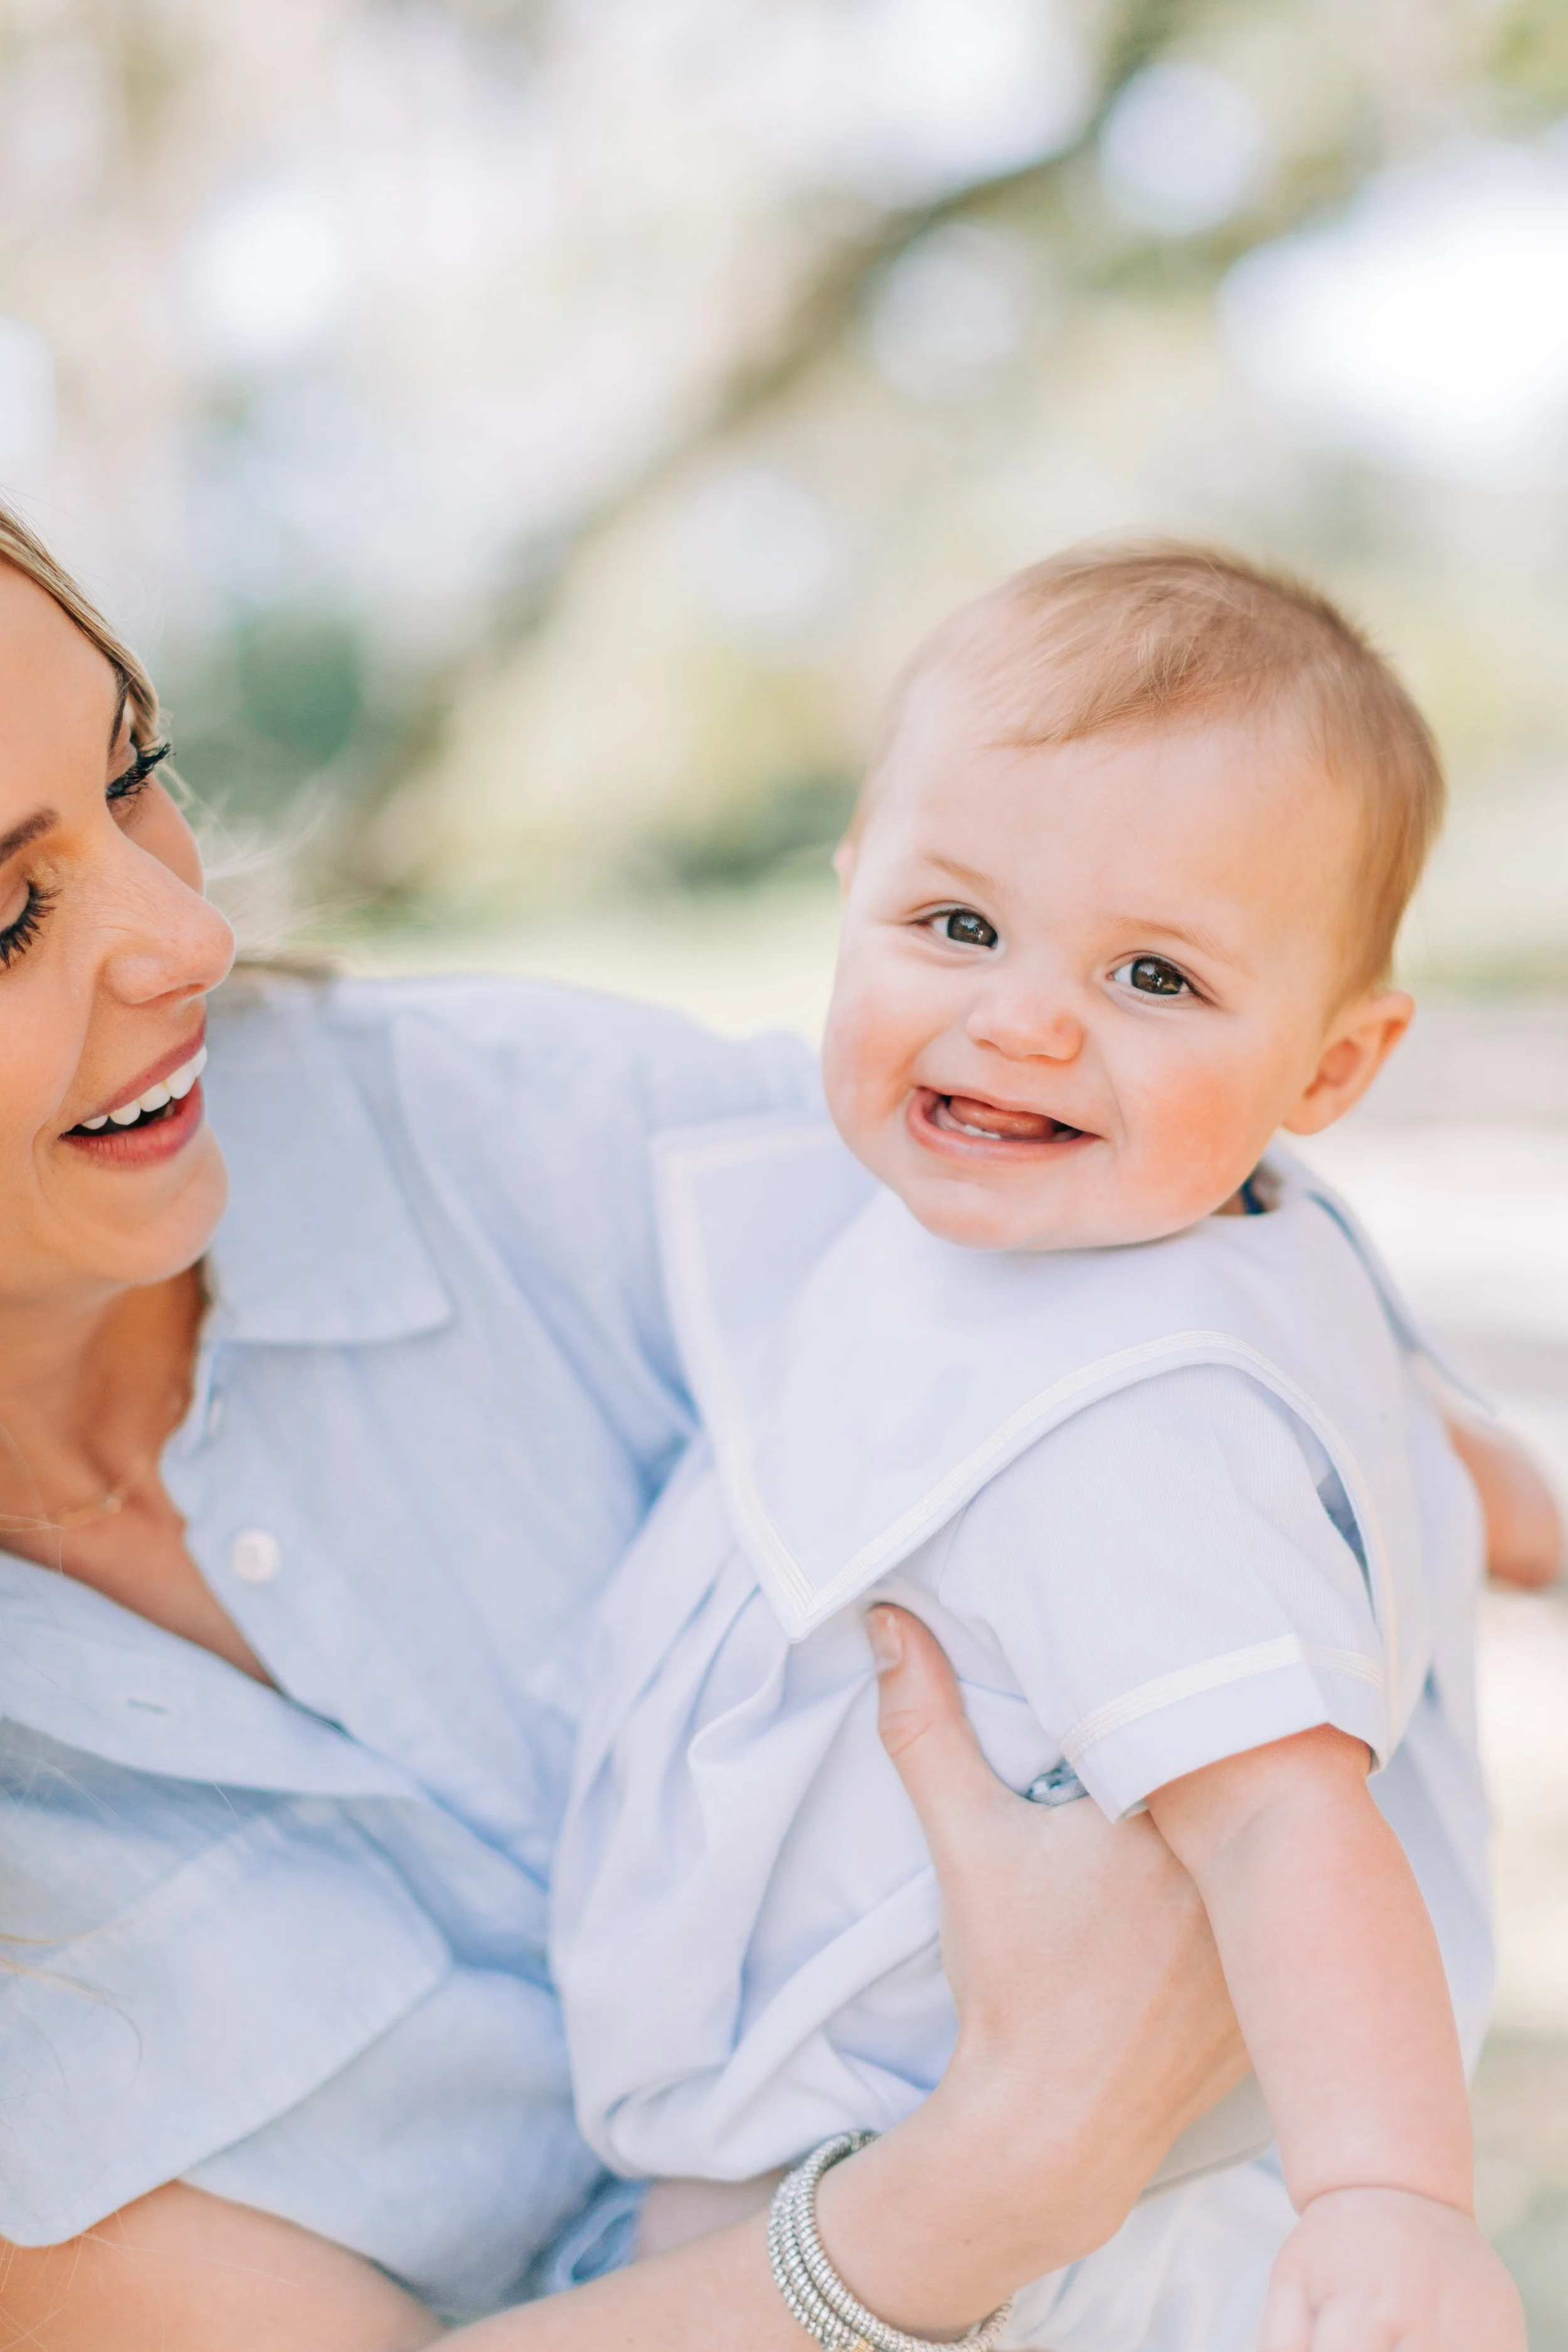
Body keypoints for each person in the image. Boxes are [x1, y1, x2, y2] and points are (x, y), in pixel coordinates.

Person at [0, 511, 1548, 2352]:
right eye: (7, 908)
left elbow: (1225, 1347)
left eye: (137, 776)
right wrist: (989, 2176)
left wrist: (1394, 2201)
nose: (194, 933)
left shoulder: (623, 1157)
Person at [551, 546, 1536, 2351]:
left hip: (990, 2221)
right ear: (852, 886)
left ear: (1331, 1061)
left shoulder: (1124, 1428)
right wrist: (1526, 1524)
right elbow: (1401, 1414)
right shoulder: (1239, 1216)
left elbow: (1278, 1825)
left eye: (1152, 973)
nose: (1022, 1014)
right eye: (956, 925)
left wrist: (1387, 2195)